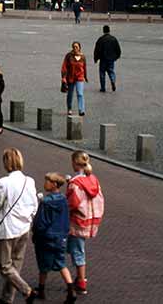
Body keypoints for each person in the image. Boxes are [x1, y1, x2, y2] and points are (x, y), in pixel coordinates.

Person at [0, 148, 40, 304]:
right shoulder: (29, 181)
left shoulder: (3, 183)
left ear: (6, 163)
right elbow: (34, 204)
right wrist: (28, 218)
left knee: (4, 266)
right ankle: (7, 298)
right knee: (16, 264)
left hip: (9, 229)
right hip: (24, 228)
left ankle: (27, 291)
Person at [28, 173, 77, 303]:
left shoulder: (46, 202)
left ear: (54, 184)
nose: (45, 183)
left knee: (43, 264)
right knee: (61, 263)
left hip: (46, 238)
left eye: (47, 181)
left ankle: (41, 290)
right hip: (60, 238)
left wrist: (35, 233)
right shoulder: (63, 200)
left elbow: (40, 222)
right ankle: (71, 289)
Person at [66, 151, 105, 297]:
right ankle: (78, 278)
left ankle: (81, 281)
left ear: (75, 163)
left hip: (76, 221)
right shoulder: (93, 180)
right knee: (77, 247)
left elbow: (73, 203)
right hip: (89, 219)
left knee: (77, 250)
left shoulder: (76, 183)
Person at [61, 42, 88, 117]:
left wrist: (85, 76)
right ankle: (69, 108)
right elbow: (64, 66)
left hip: (80, 77)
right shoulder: (69, 56)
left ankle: (81, 110)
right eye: (74, 47)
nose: (75, 48)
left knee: (80, 93)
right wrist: (63, 77)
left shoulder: (83, 57)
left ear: (79, 47)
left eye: (76, 47)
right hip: (71, 77)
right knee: (70, 94)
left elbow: (84, 67)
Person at [93, 25, 121, 93]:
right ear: (109, 30)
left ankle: (103, 88)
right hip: (111, 59)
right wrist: (116, 57)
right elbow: (118, 49)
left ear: (103, 31)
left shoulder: (101, 39)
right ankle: (113, 81)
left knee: (102, 73)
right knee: (111, 71)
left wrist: (96, 58)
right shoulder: (113, 39)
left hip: (103, 59)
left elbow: (97, 50)